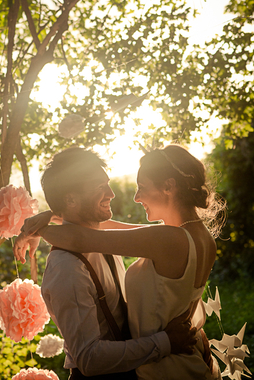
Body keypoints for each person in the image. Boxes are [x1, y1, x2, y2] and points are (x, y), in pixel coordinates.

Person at [15, 145, 224, 380]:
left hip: (165, 369)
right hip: (185, 361)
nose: (131, 196)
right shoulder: (196, 235)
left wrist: (40, 228)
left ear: (169, 186)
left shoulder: (168, 239)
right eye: (100, 187)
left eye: (142, 187)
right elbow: (107, 229)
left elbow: (82, 237)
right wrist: (53, 215)